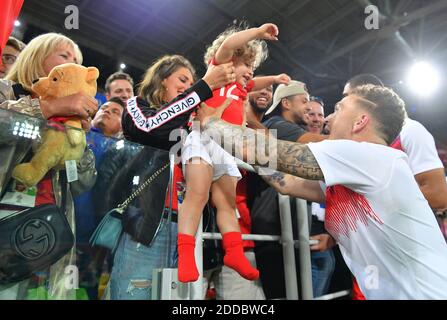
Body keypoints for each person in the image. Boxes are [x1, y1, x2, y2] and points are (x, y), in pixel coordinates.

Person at [197, 84, 447, 299]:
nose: (327, 119)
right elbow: (285, 181)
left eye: (338, 110)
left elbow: (264, 152)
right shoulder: (357, 170)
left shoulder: (372, 156)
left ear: (360, 121)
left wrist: (212, 122)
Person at [109, 54, 234, 300]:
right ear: (163, 80)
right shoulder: (137, 105)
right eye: (183, 79)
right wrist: (203, 88)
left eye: (192, 83)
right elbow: (150, 127)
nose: (188, 87)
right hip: (148, 227)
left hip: (190, 231)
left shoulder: (193, 125)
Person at [178, 22, 290, 283]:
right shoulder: (219, 70)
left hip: (225, 146)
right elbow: (228, 44)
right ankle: (185, 253)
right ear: (231, 59)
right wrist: (259, 32)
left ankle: (234, 252)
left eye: (253, 68)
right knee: (197, 194)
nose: (250, 72)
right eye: (247, 64)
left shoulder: (241, 89)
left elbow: (255, 82)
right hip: (203, 137)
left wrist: (273, 80)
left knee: (227, 204)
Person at [0, 32, 97, 300]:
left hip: (50, 234)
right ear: (36, 56)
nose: (73, 65)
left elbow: (82, 183)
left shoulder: (73, 118)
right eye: (65, 56)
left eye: (77, 61)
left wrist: (81, 142)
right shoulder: (6, 90)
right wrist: (47, 107)